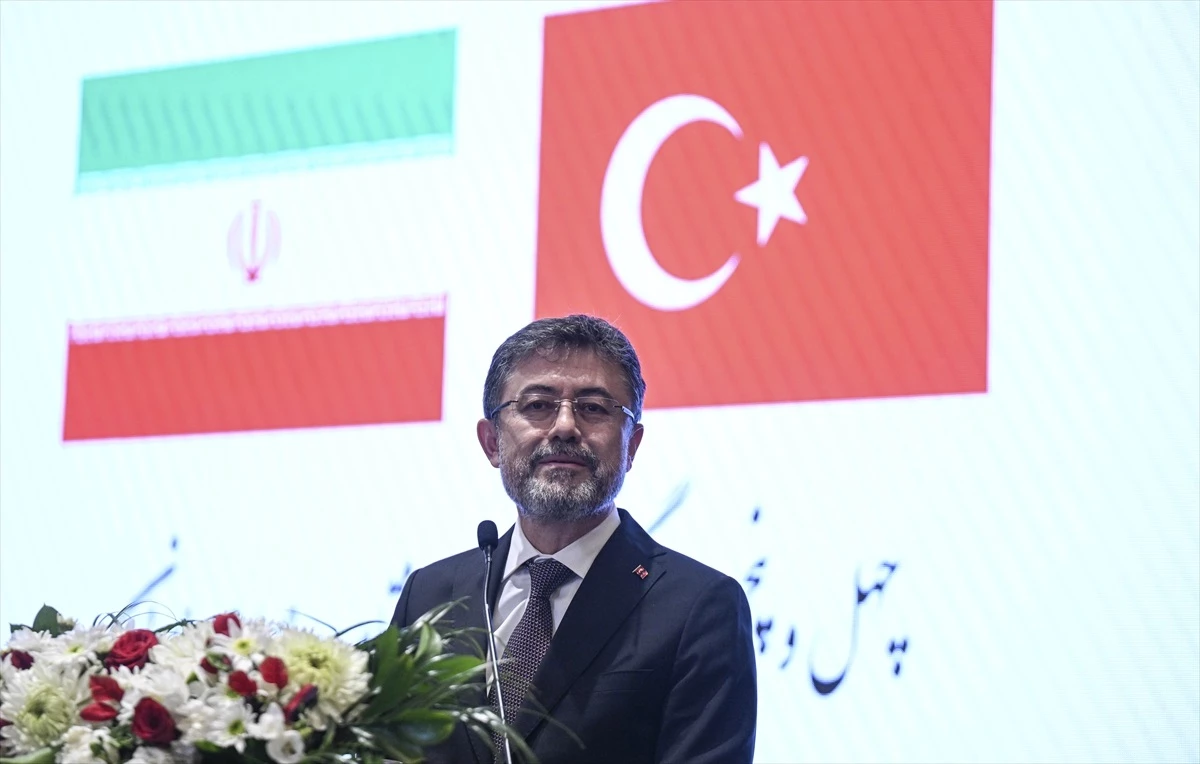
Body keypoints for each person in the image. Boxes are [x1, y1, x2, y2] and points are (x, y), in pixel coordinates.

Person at [391, 314, 757, 764]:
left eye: (594, 408)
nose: (565, 426)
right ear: (491, 442)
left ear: (632, 446)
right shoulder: (428, 594)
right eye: (537, 405)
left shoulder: (699, 606)